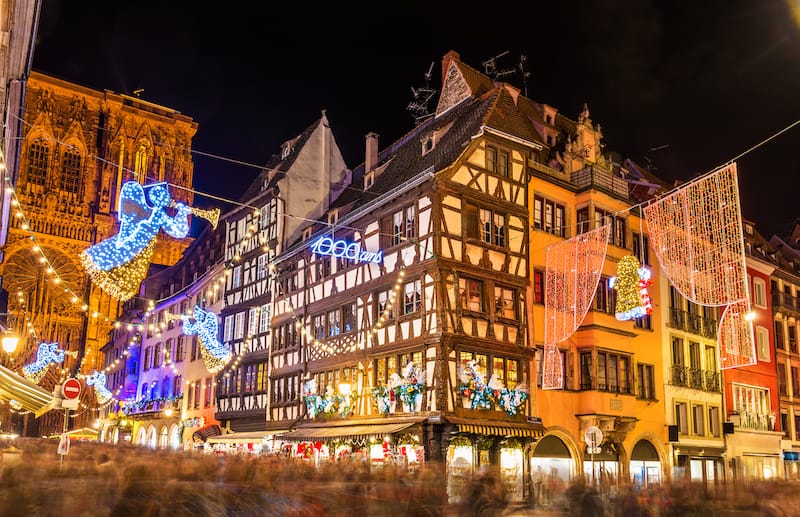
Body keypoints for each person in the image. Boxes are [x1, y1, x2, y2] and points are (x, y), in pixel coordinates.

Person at [80, 181, 192, 301]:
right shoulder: (146, 210)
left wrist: (182, 214)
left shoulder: (156, 213)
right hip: (131, 249)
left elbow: (179, 231)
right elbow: (176, 230)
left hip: (135, 254)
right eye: (163, 197)